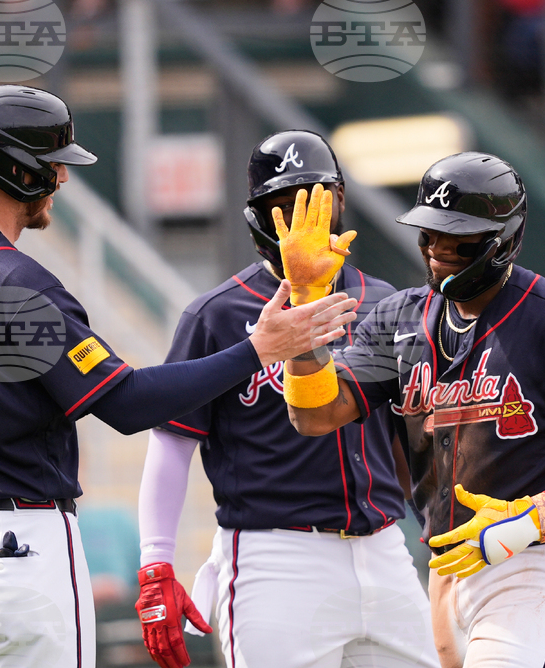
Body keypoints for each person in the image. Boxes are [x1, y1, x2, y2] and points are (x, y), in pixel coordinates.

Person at [0, 85, 358, 668]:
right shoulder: (16, 283)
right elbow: (125, 405)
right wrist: (258, 348)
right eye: (53, 166)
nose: (63, 180)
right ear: (20, 170)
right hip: (18, 551)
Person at [282, 151, 545, 667]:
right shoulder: (396, 318)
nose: (440, 249)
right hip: (446, 568)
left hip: (535, 560)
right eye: (430, 233)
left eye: (460, 237)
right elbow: (314, 414)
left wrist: (529, 519)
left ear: (505, 238)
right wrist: (303, 303)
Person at [136, 130, 440, 668]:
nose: (303, 219)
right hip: (275, 556)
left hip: (384, 546)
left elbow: (405, 435)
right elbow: (173, 441)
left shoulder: (386, 300)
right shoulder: (219, 314)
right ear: (258, 217)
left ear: (340, 200)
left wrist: (435, 521)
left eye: (315, 200)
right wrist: (156, 561)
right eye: (284, 206)